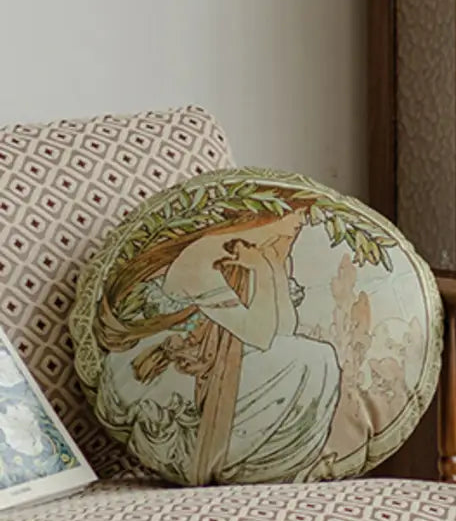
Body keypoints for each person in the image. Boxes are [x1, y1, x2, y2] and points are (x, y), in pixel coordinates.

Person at [97, 206, 341, 484]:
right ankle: (246, 466)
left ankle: (267, 469)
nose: (304, 221)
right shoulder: (206, 254)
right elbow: (260, 336)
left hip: (217, 355)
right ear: (273, 211)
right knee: (312, 360)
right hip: (178, 367)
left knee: (318, 357)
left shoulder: (259, 252)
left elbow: (283, 330)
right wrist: (262, 268)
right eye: (300, 212)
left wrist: (272, 267)